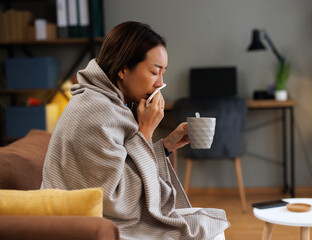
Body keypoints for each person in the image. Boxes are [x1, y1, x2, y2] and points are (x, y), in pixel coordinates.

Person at [41, 21, 229, 240]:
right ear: (123, 69)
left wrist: (166, 146)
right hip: (85, 224)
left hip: (98, 215)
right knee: (207, 229)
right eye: (154, 72)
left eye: (163, 73)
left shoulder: (110, 103)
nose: (160, 83)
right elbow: (116, 200)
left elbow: (121, 168)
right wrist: (145, 131)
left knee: (206, 224)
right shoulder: (96, 111)